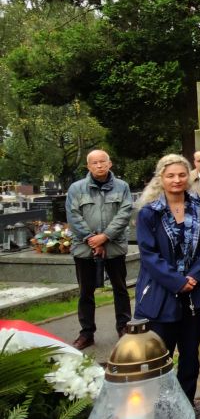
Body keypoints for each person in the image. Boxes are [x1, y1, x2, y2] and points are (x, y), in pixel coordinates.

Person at [134, 154, 200, 419]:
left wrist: (194, 277)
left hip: (195, 293)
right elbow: (149, 254)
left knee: (190, 353)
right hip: (162, 293)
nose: (176, 180)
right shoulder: (149, 212)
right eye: (170, 175)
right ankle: (159, 409)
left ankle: (186, 405)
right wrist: (177, 281)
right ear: (161, 178)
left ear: (189, 176)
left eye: (181, 175)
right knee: (161, 354)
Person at [65, 149, 134, 350]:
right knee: (85, 292)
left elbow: (124, 214)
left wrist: (105, 237)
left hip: (114, 246)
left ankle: (124, 327)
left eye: (103, 161)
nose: (99, 165)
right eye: (94, 163)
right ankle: (86, 333)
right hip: (84, 248)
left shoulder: (122, 187)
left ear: (109, 163)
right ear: (88, 166)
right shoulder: (76, 188)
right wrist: (91, 239)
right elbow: (73, 215)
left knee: (120, 288)